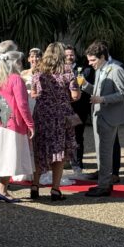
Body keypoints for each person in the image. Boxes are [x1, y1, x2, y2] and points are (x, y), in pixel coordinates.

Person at [0, 50, 35, 203]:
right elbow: (22, 104)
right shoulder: (16, 79)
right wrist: (30, 124)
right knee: (7, 157)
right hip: (11, 123)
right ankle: (3, 191)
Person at [30, 42, 80, 201]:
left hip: (42, 115)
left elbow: (33, 94)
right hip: (60, 116)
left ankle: (35, 185)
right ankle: (55, 189)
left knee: (41, 148)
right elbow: (74, 96)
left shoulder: (37, 70)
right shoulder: (67, 70)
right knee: (59, 151)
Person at [79, 41, 124, 197]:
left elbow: (121, 95)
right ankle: (102, 183)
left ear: (102, 57)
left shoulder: (116, 69)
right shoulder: (101, 70)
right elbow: (96, 90)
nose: (90, 63)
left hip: (108, 117)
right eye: (89, 60)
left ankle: (104, 186)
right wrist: (84, 85)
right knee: (101, 152)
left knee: (105, 152)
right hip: (98, 115)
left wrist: (102, 99)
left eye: (93, 60)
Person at [64, 45, 92, 177]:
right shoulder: (58, 70)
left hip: (77, 110)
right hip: (61, 110)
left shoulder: (84, 70)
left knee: (76, 137)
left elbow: (88, 90)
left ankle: (77, 165)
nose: (69, 57)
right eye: (67, 54)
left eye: (71, 55)